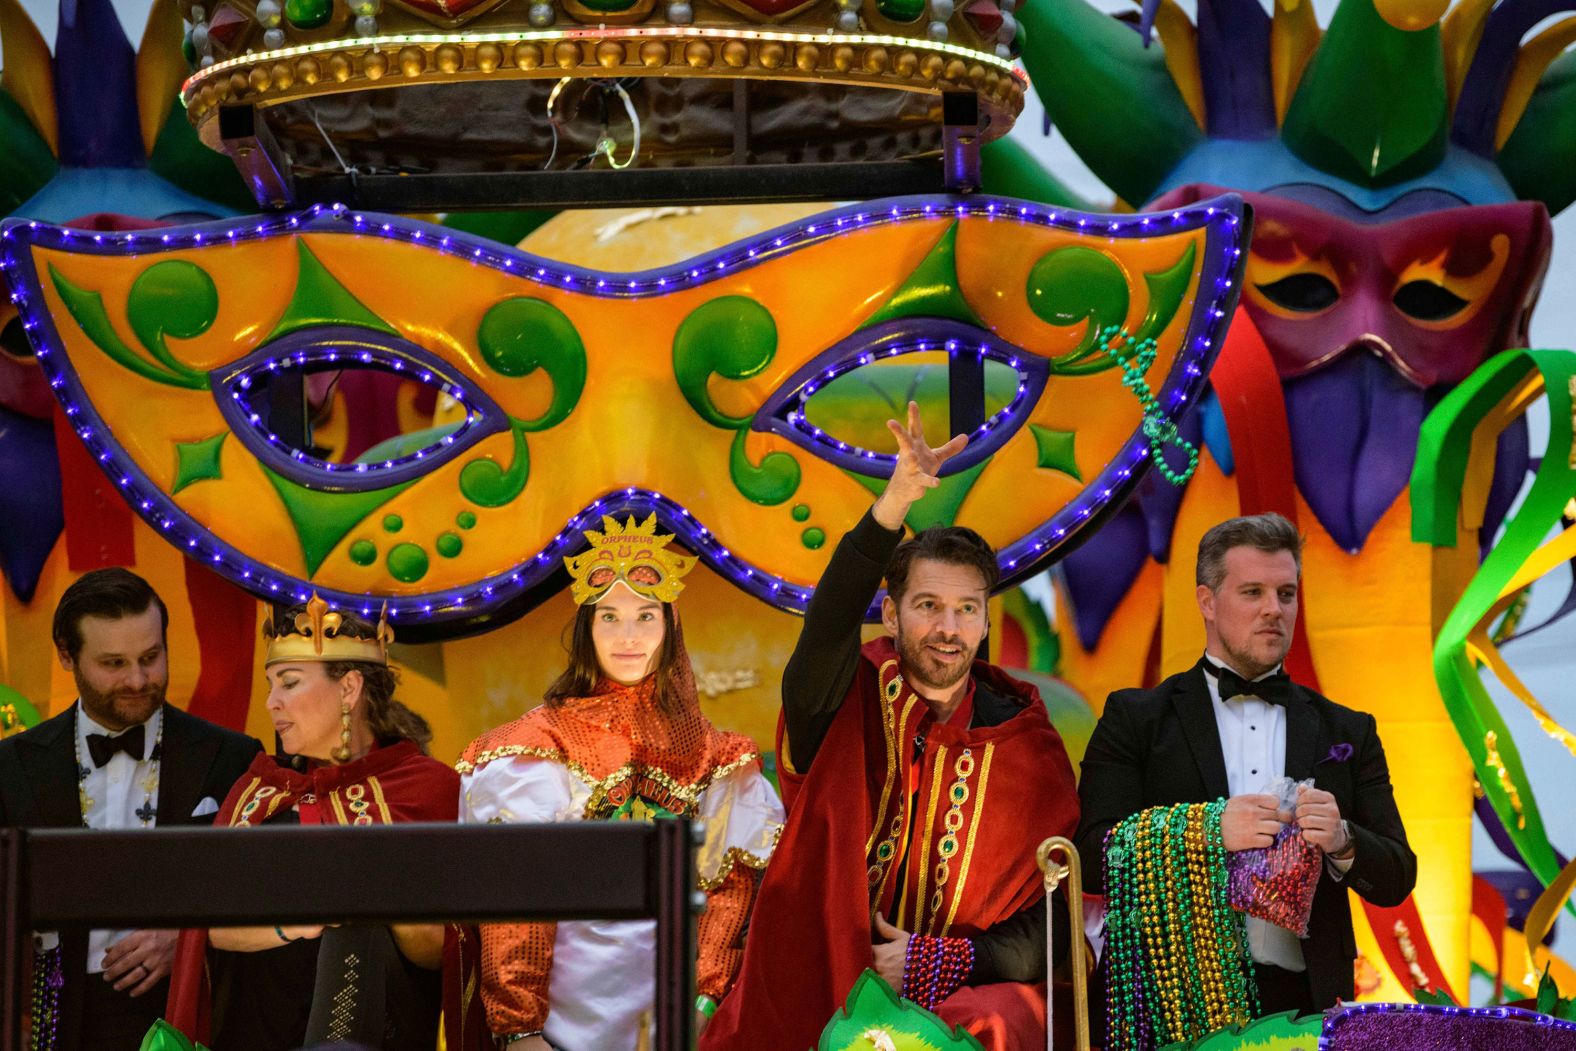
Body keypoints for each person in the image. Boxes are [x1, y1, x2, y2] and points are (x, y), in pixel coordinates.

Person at [704, 404, 1080, 1051]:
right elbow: (825, 630)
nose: (948, 627)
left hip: (959, 1003)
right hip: (814, 994)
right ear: (891, 613)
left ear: (986, 622)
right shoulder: (840, 698)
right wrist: (893, 506)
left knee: (1009, 1018)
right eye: (928, 605)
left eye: (967, 609)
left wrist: (944, 960)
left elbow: (1054, 923)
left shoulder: (1027, 743)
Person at [1075, 513, 1416, 1036]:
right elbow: (1092, 860)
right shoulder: (1135, 718)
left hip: (1306, 1006)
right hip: (1172, 1009)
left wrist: (1344, 841)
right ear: (1207, 602)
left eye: (1285, 593)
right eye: (1252, 592)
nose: (1273, 610)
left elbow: (1397, 876)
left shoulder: (1349, 729)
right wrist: (1207, 833)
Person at [456, 513, 784, 1051]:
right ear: (586, 626)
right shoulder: (537, 744)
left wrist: (703, 1002)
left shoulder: (716, 754)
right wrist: (521, 1026)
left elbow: (728, 894)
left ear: (670, 626)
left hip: (674, 1014)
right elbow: (519, 895)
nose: (627, 636)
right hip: (566, 1012)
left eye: (645, 616)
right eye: (608, 616)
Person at [164, 596, 460, 1051]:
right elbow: (209, 927)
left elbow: (443, 951)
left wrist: (372, 889)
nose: (271, 702)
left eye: (289, 683)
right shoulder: (259, 789)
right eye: (270, 685)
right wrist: (294, 924)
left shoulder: (425, 786)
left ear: (349, 688)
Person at [0, 568, 261, 1051]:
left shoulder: (231, 758)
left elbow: (256, 886)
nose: (138, 679)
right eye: (114, 663)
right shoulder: (12, 766)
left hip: (187, 1017)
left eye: (151, 657)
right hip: (52, 1020)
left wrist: (185, 935)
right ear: (66, 655)